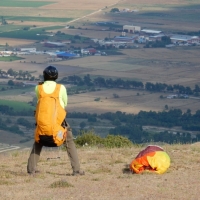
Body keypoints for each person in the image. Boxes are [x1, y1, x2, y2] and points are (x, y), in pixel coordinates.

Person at [27, 65, 84, 176]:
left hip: (42, 123)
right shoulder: (61, 88)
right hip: (58, 123)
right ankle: (76, 170)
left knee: (38, 141)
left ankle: (31, 169)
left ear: (44, 76)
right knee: (69, 142)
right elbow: (65, 103)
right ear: (56, 76)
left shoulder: (38, 88)